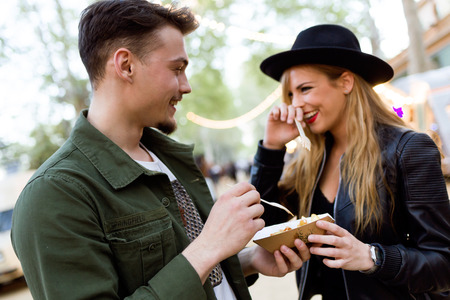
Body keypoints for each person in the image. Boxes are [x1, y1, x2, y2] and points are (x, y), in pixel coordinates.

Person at [11, 1, 311, 299]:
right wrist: (209, 246)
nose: (187, 86)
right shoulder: (54, 195)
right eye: (177, 69)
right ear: (126, 65)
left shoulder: (171, 160)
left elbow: (186, 269)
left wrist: (247, 261)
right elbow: (199, 256)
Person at [250, 24, 450, 299]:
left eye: (305, 89)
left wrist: (372, 256)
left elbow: (442, 263)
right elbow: (265, 225)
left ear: (345, 82)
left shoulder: (408, 149)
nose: (295, 105)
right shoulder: (308, 160)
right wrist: (271, 149)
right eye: (290, 96)